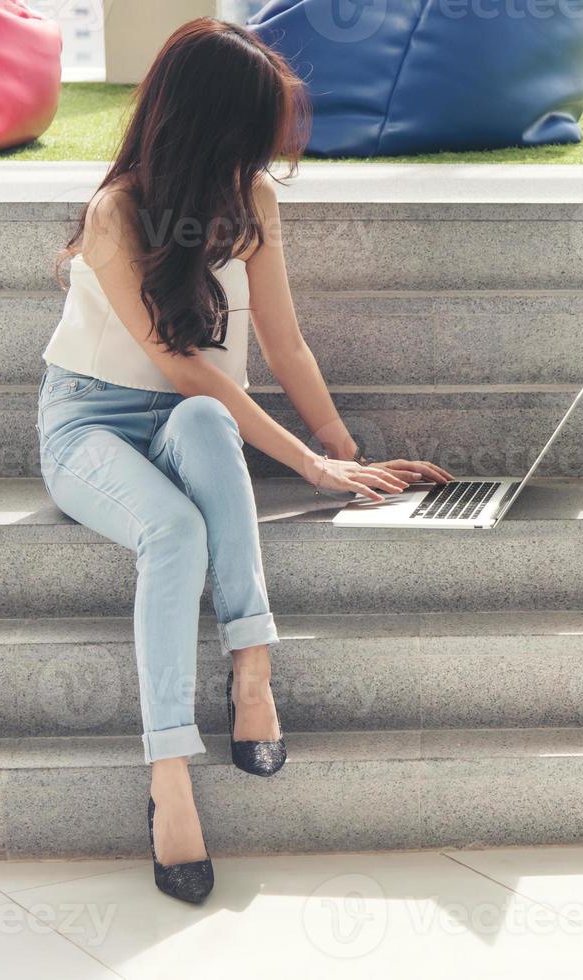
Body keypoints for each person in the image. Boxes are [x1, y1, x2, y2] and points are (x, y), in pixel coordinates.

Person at [36, 18, 451, 903]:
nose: (264, 151)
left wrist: (346, 455)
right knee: (175, 532)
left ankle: (251, 670)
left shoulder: (251, 197)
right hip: (89, 428)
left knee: (206, 427)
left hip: (193, 418)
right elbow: (179, 360)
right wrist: (305, 464)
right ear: (205, 123)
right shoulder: (118, 211)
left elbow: (284, 341)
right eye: (253, 129)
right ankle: (170, 777)